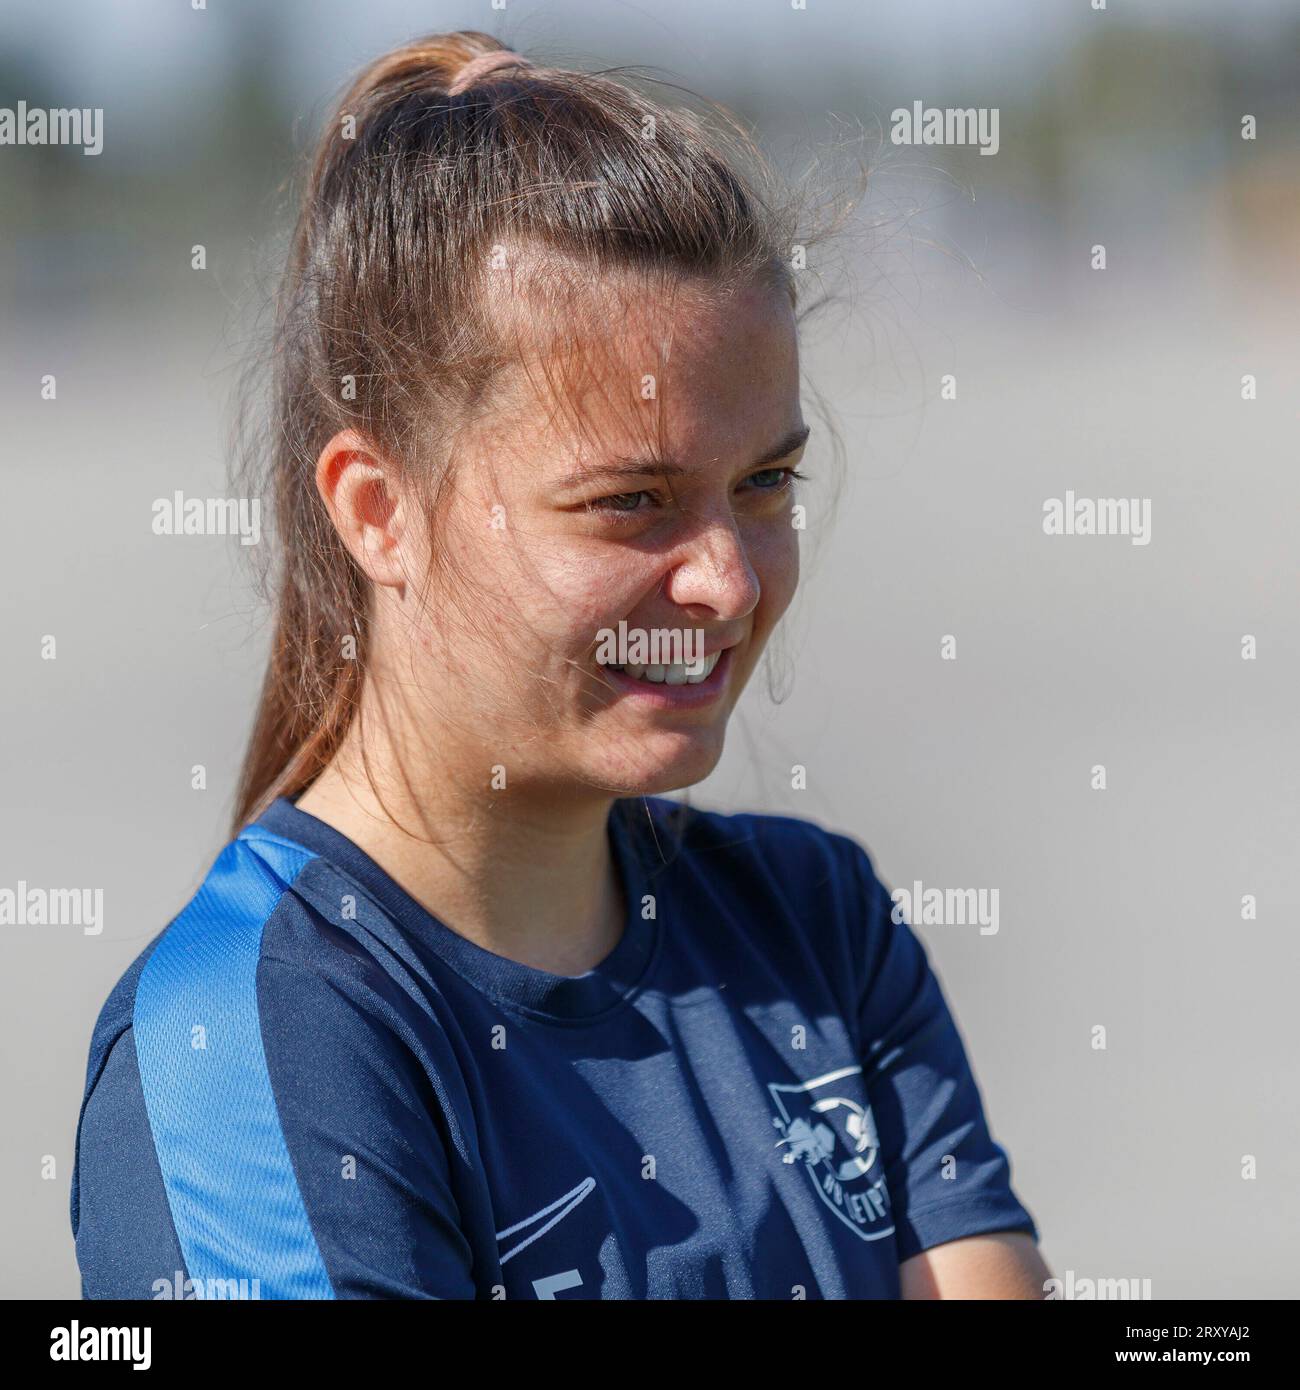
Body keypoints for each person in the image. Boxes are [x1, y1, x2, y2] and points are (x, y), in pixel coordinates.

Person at [71, 31, 1049, 1300]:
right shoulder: (257, 1036)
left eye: (764, 483)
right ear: (378, 511)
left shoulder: (820, 930)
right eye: (630, 501)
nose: (730, 582)